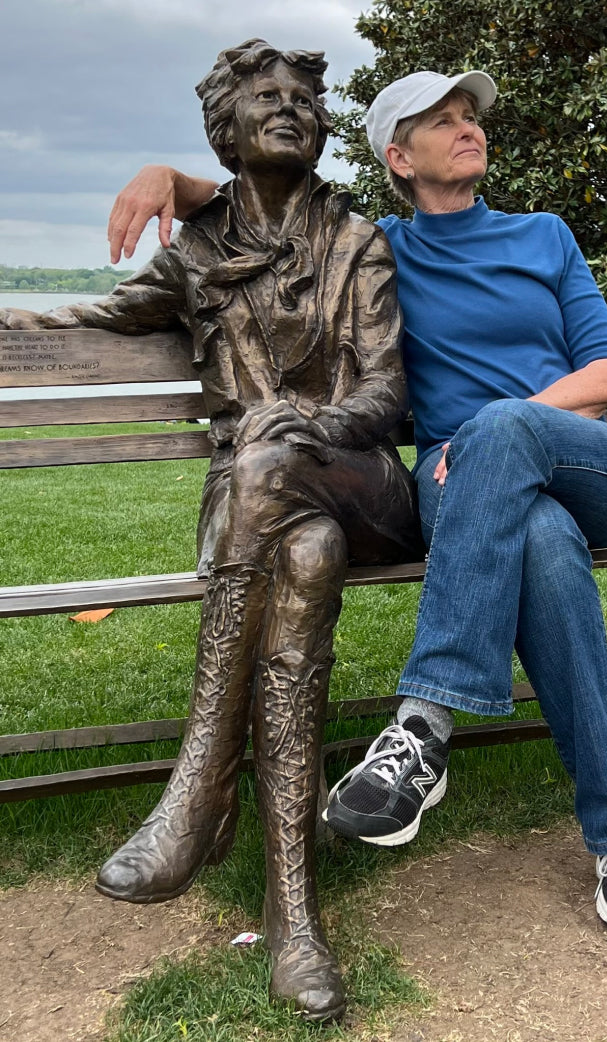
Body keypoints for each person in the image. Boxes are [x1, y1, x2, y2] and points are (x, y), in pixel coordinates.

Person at [103, 70, 607, 934]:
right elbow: (272, 205)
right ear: (398, 159)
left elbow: (605, 374)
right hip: (469, 495)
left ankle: (424, 726)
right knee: (544, 548)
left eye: (470, 118)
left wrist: (505, 425)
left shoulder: (544, 235)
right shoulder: (377, 250)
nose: (467, 129)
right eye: (441, 122)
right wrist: (172, 178)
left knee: (499, 436)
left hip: (581, 458)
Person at [0, 40, 425, 1022]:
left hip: (360, 482)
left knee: (276, 465)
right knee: (301, 555)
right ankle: (293, 920)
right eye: (261, 98)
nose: (285, 108)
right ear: (224, 131)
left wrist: (303, 427)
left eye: (300, 100)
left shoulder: (354, 240)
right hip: (265, 519)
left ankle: (199, 785)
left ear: (320, 130)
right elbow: (91, 316)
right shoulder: (195, 252)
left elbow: (385, 393)